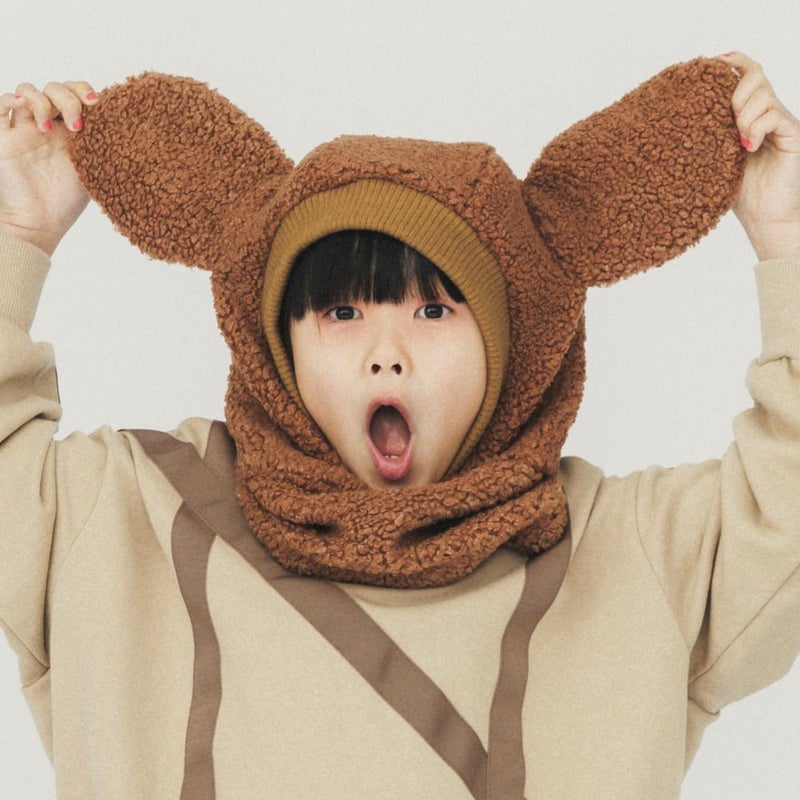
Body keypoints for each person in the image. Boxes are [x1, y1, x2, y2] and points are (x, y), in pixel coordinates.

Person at [0, 52, 798, 799]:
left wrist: (789, 238)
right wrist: (16, 235)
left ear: (509, 341)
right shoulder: (131, 518)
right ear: (279, 341)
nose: (387, 355)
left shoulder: (631, 556)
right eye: (342, 312)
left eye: (434, 310)